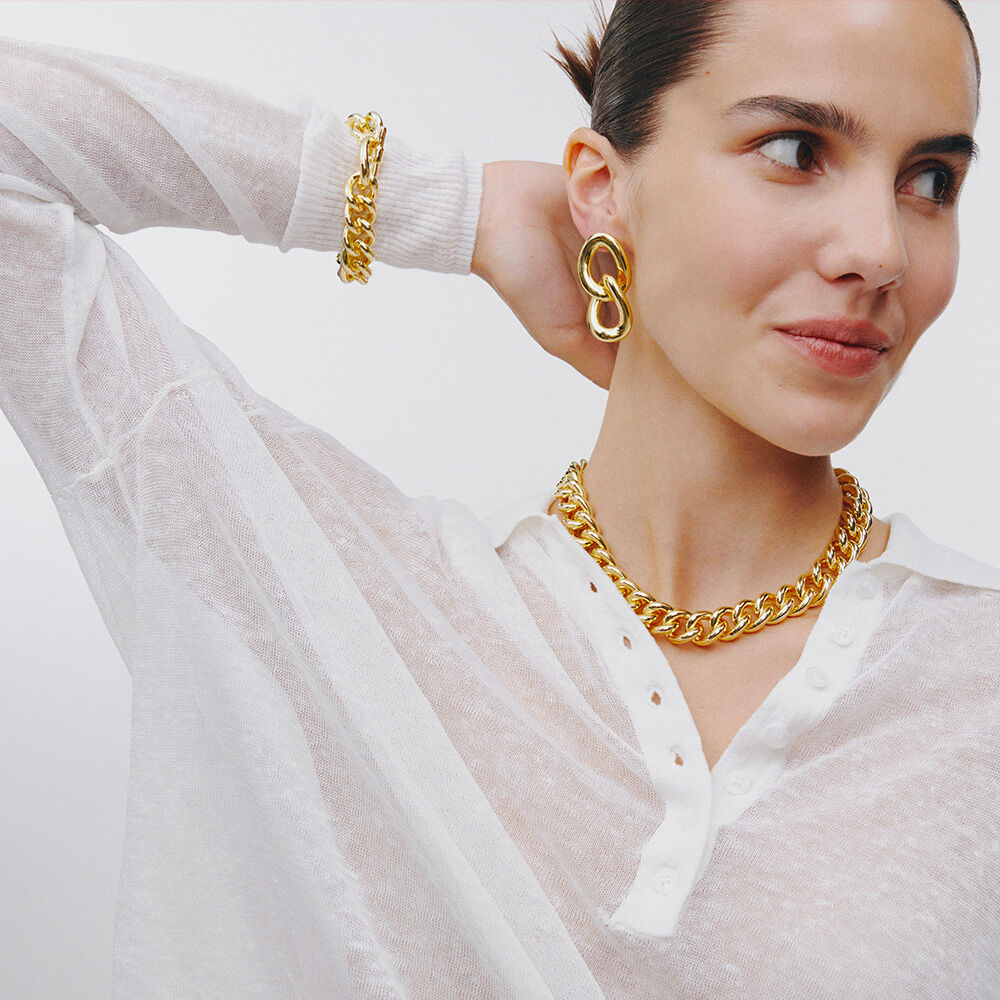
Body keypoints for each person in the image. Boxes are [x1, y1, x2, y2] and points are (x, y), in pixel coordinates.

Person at [0, 1, 997, 997]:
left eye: (930, 180)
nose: (883, 250)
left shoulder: (975, 684)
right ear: (602, 187)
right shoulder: (355, 615)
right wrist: (455, 210)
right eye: (795, 149)